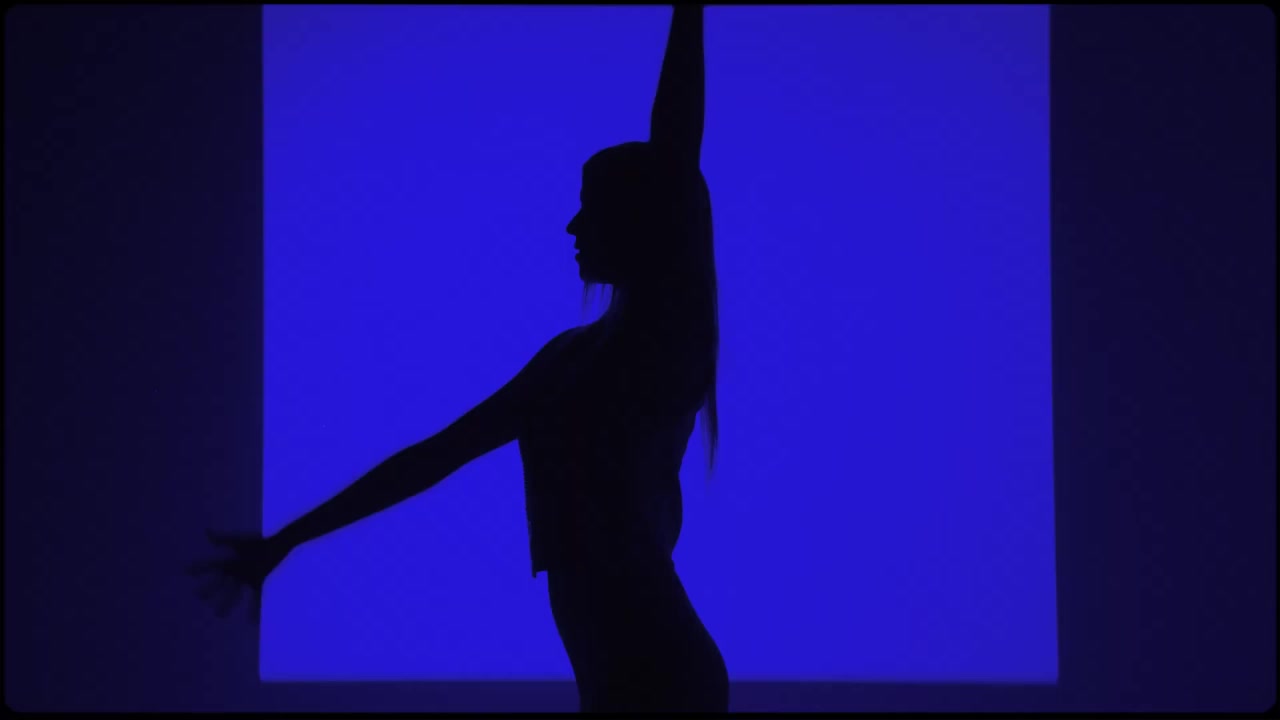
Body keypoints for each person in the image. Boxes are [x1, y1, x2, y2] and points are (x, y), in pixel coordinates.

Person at [190, 5, 727, 712]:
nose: (572, 225)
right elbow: (434, 456)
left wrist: (688, 11)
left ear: (643, 222)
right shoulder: (570, 360)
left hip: (657, 674)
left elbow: (675, 149)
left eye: (590, 207)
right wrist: (286, 541)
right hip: (626, 675)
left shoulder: (657, 343)